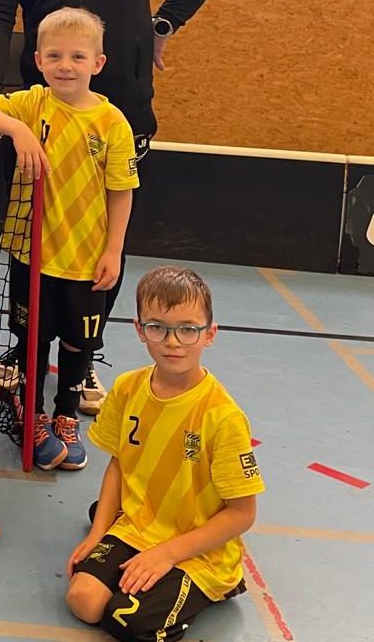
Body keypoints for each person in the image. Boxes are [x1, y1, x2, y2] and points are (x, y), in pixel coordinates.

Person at [0, 0, 227, 412]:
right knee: (31, 234)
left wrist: (164, 23)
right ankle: (23, 349)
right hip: (43, 116)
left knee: (102, 240)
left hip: (124, 108)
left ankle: (82, 359)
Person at [0, 8, 138, 471]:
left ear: (98, 63)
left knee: (79, 343)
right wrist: (17, 129)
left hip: (86, 258)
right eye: (54, 56)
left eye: (77, 56)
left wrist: (114, 251)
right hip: (31, 255)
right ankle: (34, 415)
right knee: (33, 339)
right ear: (38, 60)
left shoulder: (112, 123)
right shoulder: (33, 104)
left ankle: (65, 416)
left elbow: (121, 192)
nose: (65, 65)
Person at [66, 266, 264, 642]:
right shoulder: (127, 388)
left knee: (126, 620)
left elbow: (242, 514)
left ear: (209, 334)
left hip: (198, 550)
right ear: (140, 330)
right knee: (84, 601)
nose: (173, 342)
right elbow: (119, 464)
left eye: (188, 329)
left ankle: (218, 585)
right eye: (158, 327)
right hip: (139, 526)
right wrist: (99, 533)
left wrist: (167, 554)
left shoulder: (223, 417)